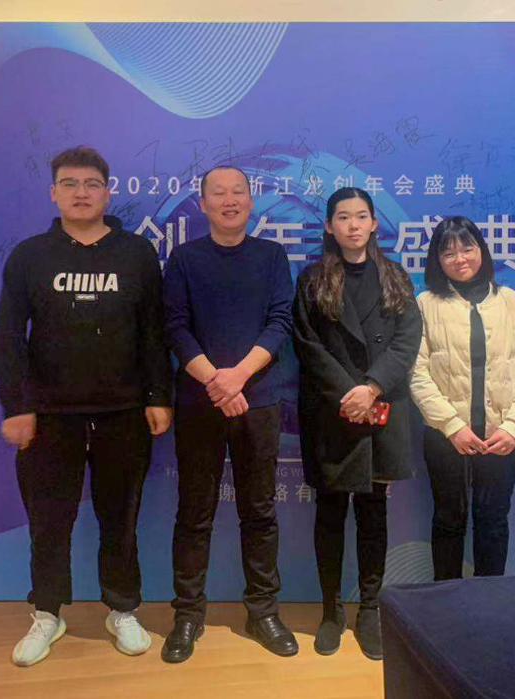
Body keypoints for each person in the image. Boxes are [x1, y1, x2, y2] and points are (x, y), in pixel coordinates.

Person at [0, 146, 173, 666]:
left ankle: (122, 609)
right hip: (50, 416)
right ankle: (47, 613)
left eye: (92, 183)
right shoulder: (30, 256)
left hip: (124, 413)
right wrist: (17, 405)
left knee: (121, 518)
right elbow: (9, 336)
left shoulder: (136, 253)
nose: (81, 192)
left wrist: (159, 396)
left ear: (107, 193)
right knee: (49, 521)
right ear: (54, 193)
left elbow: (153, 332)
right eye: (69, 183)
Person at [161, 165, 297, 662]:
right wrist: (216, 383)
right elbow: (175, 327)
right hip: (199, 403)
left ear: (251, 200)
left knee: (259, 512)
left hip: (258, 402)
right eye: (218, 193)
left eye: (238, 191)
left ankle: (262, 611)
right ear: (203, 205)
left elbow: (280, 321)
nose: (229, 200)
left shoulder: (271, 256)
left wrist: (237, 377)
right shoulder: (184, 258)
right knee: (194, 512)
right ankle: (188, 614)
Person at [293, 187, 421, 660]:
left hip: (381, 407)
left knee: (373, 513)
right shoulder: (312, 279)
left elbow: (407, 340)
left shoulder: (395, 276)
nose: (353, 225)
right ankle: (331, 611)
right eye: (343, 217)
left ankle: (370, 609)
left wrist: (372, 387)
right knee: (329, 513)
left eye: (361, 216)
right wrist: (349, 393)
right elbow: (307, 344)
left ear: (373, 224)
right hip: (333, 410)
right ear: (329, 226)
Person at [410, 216, 515, 581]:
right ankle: (446, 602)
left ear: (481, 250)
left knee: (493, 520)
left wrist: (514, 426)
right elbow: (416, 373)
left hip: (501, 436)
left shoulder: (512, 303)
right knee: (448, 518)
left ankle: (490, 604)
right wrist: (452, 426)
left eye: (467, 248)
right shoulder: (424, 305)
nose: (460, 259)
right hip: (445, 436)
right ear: (437, 260)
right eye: (448, 252)